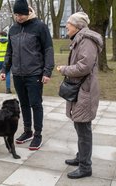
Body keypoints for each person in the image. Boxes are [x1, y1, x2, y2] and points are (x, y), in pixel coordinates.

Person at [0, 0, 54, 150]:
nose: (19, 17)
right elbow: (9, 52)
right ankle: (28, 131)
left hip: (34, 73)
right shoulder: (13, 29)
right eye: (16, 14)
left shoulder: (40, 27)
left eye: (21, 14)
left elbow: (48, 50)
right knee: (23, 104)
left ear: (28, 12)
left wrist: (47, 71)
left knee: (35, 104)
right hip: (17, 74)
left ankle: (38, 135)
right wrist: (5, 69)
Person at [57, 12, 103, 179]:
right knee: (79, 125)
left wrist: (65, 69)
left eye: (68, 24)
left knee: (83, 129)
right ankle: (81, 157)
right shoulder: (80, 39)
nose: (66, 27)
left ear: (77, 26)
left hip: (85, 90)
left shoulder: (87, 41)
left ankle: (85, 167)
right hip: (81, 89)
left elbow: (84, 66)